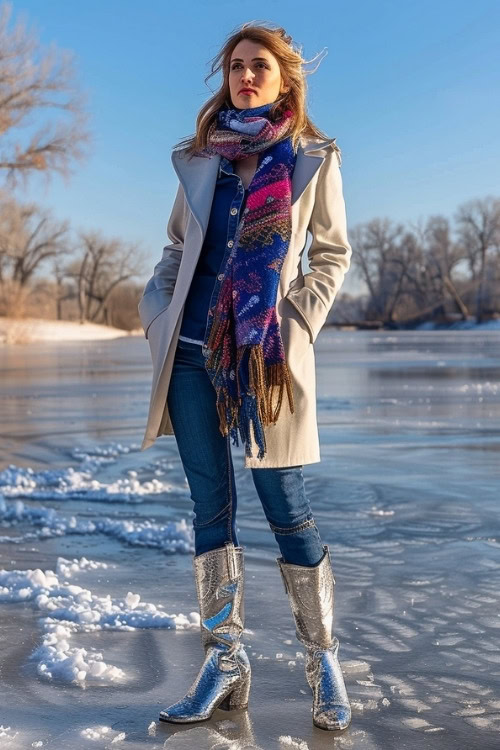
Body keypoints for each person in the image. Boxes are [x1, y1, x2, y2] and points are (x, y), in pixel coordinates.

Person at [138, 21, 353, 732]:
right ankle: (225, 659)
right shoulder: (202, 159)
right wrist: (157, 310)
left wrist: (295, 325)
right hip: (194, 354)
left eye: (260, 66)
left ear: (285, 78)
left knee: (286, 503)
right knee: (211, 509)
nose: (247, 76)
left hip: (266, 362)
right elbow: (176, 248)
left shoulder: (311, 159)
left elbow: (331, 256)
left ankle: (322, 659)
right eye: (236, 66)